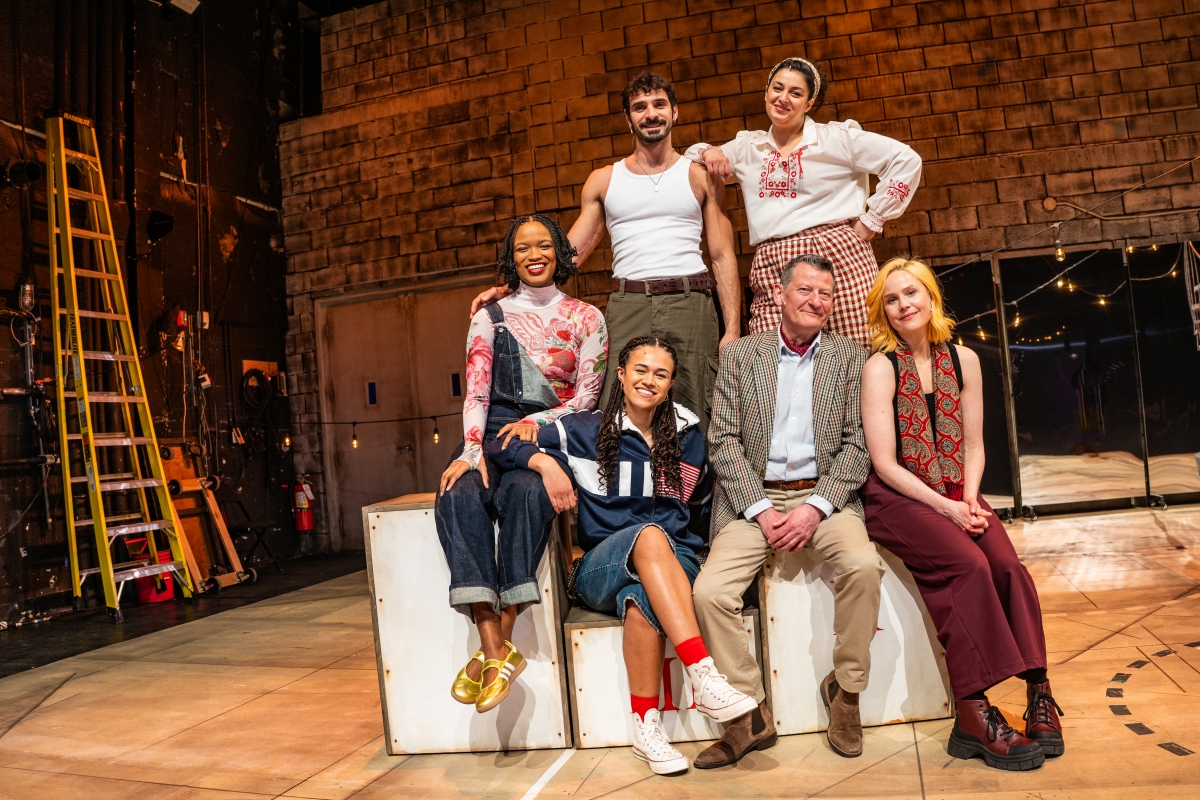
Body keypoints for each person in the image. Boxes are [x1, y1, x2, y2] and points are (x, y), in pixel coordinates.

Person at [490, 337, 756, 775]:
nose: (648, 380)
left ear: (671, 384)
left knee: (643, 604)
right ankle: (703, 675)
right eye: (640, 370)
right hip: (600, 564)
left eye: (661, 374)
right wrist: (546, 464)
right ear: (621, 373)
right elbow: (500, 445)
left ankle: (647, 730)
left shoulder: (688, 434)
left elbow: (705, 508)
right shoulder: (582, 429)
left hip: (676, 561)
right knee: (649, 536)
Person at [859, 257, 1063, 771]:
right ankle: (973, 712)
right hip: (899, 496)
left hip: (958, 490)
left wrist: (969, 498)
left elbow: (974, 443)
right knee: (968, 567)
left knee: (1008, 567)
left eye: (913, 293)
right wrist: (946, 508)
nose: (904, 304)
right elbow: (883, 463)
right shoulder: (880, 365)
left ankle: (1038, 690)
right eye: (892, 298)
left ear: (931, 299)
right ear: (882, 309)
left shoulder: (964, 359)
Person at [693, 253, 885, 765]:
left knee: (864, 566)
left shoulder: (852, 357)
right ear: (779, 295)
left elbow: (858, 444)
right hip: (752, 498)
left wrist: (815, 508)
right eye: (805, 290)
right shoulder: (740, 356)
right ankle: (748, 714)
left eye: (825, 294)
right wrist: (759, 508)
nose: (816, 301)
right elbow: (723, 441)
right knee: (710, 592)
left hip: (825, 495)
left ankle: (846, 692)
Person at [471, 72, 740, 434]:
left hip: (690, 302)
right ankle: (627, 490)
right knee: (618, 410)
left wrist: (733, 327)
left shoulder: (699, 175)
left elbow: (722, 256)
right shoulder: (604, 180)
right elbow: (565, 256)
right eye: (639, 107)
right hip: (629, 304)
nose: (651, 113)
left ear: (675, 112)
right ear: (628, 119)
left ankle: (690, 490)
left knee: (695, 408)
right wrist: (509, 292)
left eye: (659, 104)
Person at [436, 214, 608, 714]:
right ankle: (497, 650)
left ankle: (493, 647)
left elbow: (588, 398)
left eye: (543, 245)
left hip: (546, 431)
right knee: (457, 493)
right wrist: (471, 450)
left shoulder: (586, 317)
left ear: (559, 251)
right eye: (522, 249)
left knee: (529, 496)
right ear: (510, 259)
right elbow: (477, 389)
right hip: (490, 432)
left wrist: (539, 426)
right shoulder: (489, 315)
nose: (534, 255)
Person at [688, 58, 922, 346]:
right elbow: (688, 161)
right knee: (771, 359)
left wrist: (873, 219)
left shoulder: (836, 139)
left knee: (857, 352)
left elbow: (906, 160)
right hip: (774, 260)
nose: (783, 98)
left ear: (809, 103)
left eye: (796, 93)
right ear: (766, 93)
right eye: (778, 88)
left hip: (838, 255)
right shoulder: (749, 147)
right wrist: (709, 152)